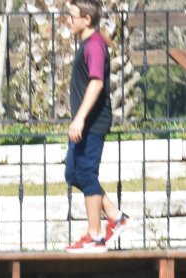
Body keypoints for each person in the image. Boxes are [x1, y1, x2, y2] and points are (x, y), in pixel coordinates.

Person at [64, 0, 129, 253]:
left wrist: (80, 118)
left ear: (87, 19)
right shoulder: (87, 44)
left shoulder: (94, 45)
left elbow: (97, 83)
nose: (68, 20)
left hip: (92, 123)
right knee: (73, 173)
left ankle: (95, 236)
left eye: (72, 15)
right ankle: (115, 216)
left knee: (86, 173)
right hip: (85, 123)